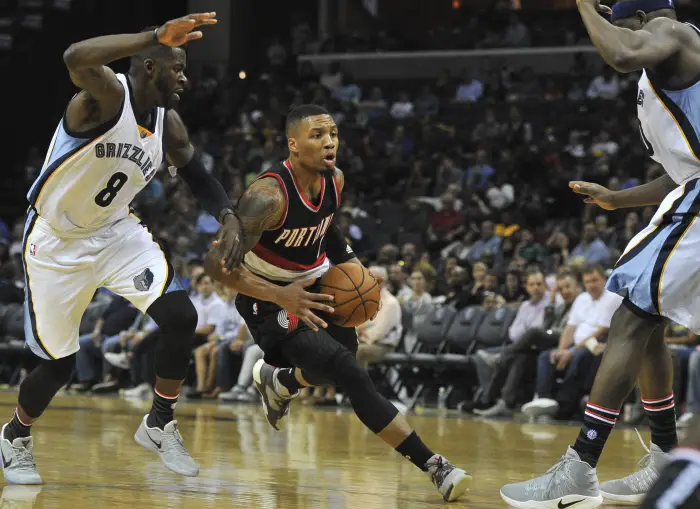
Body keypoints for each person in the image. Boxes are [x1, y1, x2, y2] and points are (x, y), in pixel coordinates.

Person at [205, 104, 471, 502]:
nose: (329, 141)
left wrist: (353, 267)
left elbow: (327, 228)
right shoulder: (267, 196)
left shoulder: (335, 180)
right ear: (293, 145)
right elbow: (217, 266)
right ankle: (435, 466)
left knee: (341, 359)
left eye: (332, 134)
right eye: (317, 135)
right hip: (269, 300)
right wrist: (281, 296)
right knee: (350, 372)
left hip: (314, 287)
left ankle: (281, 380)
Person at [501, 1, 700, 507]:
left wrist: (583, 6)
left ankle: (580, 468)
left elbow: (619, 53)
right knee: (645, 319)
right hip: (692, 189)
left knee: (630, 320)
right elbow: (676, 175)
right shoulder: (667, 62)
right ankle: (664, 455)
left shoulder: (669, 31)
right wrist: (616, 198)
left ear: (635, 18)